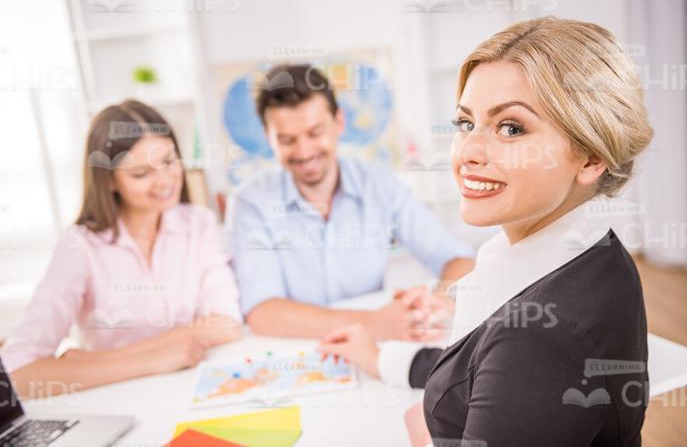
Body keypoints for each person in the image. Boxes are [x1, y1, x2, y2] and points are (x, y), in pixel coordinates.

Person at [319, 17, 653, 446]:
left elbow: (518, 365)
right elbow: (487, 369)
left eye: (511, 128)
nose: (468, 152)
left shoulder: (538, 335)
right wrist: (382, 357)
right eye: (465, 123)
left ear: (589, 157)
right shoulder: (595, 255)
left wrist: (425, 434)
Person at [2, 100, 242, 398]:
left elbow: (226, 324)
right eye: (141, 174)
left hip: (196, 391)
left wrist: (96, 360)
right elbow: (17, 372)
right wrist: (152, 360)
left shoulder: (199, 224)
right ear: (109, 181)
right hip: (119, 401)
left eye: (169, 161)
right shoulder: (80, 246)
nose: (164, 181)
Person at [230, 64, 475, 340]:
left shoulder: (379, 185)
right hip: (297, 350)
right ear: (268, 136)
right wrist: (375, 323)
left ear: (339, 122)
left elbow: (457, 258)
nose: (304, 151)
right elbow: (264, 313)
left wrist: (440, 300)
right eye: (287, 140)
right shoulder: (250, 201)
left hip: (371, 351)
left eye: (314, 133)